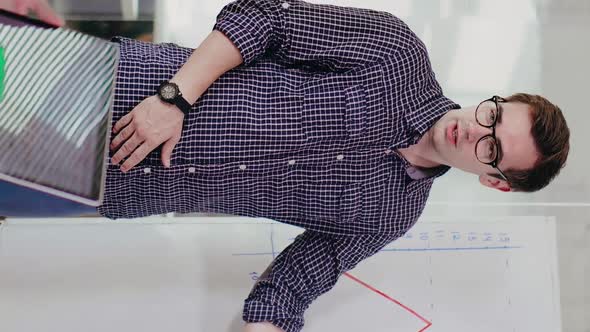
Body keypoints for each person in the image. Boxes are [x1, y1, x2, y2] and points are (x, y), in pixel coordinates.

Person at [6, 1, 573, 331]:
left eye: (493, 150)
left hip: (108, 191)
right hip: (104, 87)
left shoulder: (392, 213)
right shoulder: (396, 54)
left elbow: (296, 282)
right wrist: (173, 100)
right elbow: (266, 15)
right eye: (495, 114)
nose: (477, 129)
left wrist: (265, 324)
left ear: (496, 182)